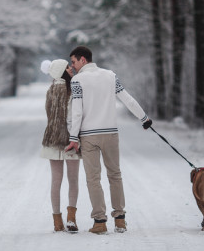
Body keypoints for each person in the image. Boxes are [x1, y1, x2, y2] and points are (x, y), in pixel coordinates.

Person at [65, 46, 152, 234]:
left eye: (73, 62)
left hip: (89, 136)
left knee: (93, 178)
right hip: (111, 134)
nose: (72, 66)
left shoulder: (78, 80)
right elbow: (127, 99)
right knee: (115, 175)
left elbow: (77, 111)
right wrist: (144, 118)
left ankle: (100, 221)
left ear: (83, 60)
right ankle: (120, 220)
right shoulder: (110, 76)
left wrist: (73, 137)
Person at [40, 59, 82, 232]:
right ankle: (71, 218)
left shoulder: (50, 90)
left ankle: (57, 221)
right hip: (69, 141)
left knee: (55, 181)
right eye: (67, 67)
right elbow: (72, 117)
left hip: (51, 140)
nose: (71, 69)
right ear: (61, 71)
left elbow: (48, 113)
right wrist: (75, 138)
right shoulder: (71, 88)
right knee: (73, 180)